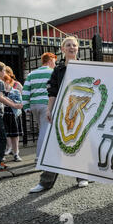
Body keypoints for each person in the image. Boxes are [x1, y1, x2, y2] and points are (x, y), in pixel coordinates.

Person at [29, 37, 90, 193]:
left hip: (82, 110)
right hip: (61, 111)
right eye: (68, 45)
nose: (72, 47)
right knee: (54, 145)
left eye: (74, 45)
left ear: (78, 48)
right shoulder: (58, 70)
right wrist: (49, 109)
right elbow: (53, 91)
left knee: (80, 143)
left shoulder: (87, 66)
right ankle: (45, 182)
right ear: (63, 49)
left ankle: (82, 176)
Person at [22, 52, 57, 161]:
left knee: (42, 128)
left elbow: (25, 90)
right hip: (46, 104)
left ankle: (46, 154)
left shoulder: (31, 74)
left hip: (34, 105)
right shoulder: (53, 72)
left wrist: (26, 106)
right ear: (50, 60)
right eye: (54, 62)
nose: (55, 64)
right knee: (44, 131)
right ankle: (39, 157)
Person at [0, 61, 23, 171]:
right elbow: (0, 97)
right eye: (4, 70)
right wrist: (14, 104)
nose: (5, 73)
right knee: (2, 138)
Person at [1, 73, 23, 162]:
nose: (2, 84)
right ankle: (2, 154)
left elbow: (20, 103)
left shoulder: (15, 91)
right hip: (3, 115)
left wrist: (9, 101)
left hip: (13, 115)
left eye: (4, 82)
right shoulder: (0, 92)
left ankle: (16, 153)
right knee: (3, 136)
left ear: (8, 81)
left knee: (15, 135)